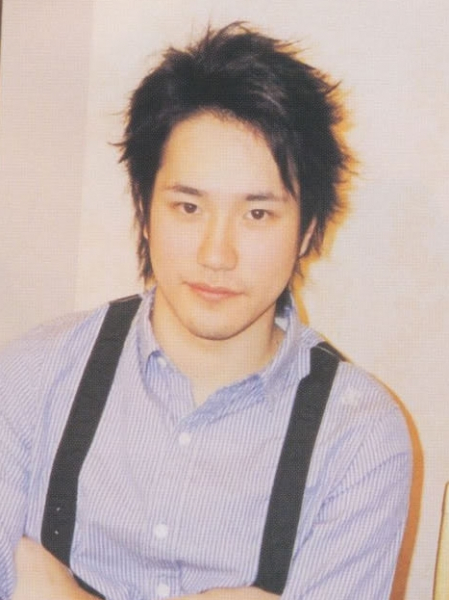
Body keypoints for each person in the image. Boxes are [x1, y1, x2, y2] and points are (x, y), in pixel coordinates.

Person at [0, 22, 411, 600]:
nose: (217, 254)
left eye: (257, 214)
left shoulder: (359, 439)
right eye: (188, 207)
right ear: (145, 210)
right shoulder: (32, 378)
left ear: (308, 230)